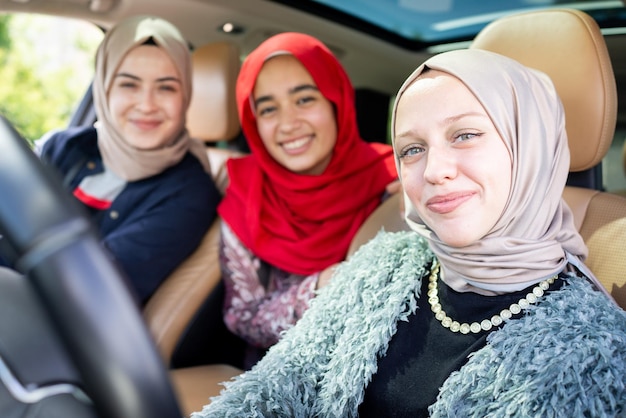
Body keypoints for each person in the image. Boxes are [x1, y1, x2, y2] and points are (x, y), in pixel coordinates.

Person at [192, 49, 626, 417]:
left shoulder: (599, 354)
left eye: (466, 134)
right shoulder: (379, 269)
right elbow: (273, 389)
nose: (435, 171)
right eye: (413, 149)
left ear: (529, 144)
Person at [217, 32, 398, 363]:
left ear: (336, 102)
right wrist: (318, 289)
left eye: (304, 99)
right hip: (277, 375)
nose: (288, 124)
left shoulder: (395, 178)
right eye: (268, 109)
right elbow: (241, 316)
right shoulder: (245, 194)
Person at [39, 16, 221, 306]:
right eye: (129, 85)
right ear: (104, 88)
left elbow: (89, 290)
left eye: (166, 88)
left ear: (185, 95)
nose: (147, 105)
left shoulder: (190, 193)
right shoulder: (63, 146)